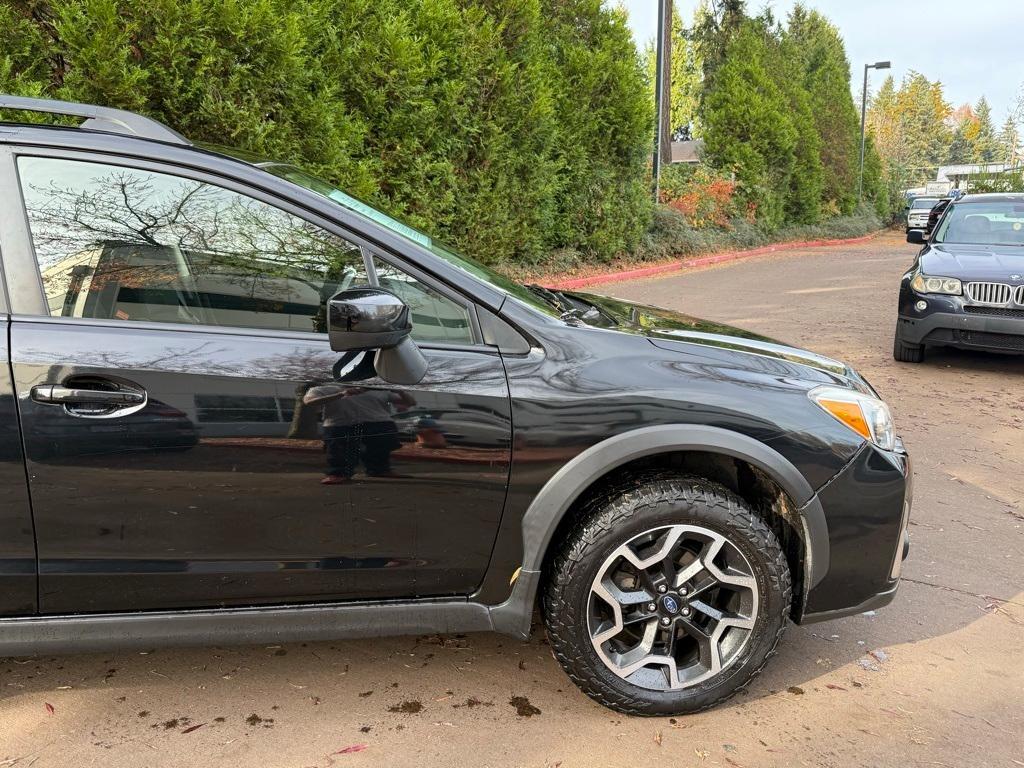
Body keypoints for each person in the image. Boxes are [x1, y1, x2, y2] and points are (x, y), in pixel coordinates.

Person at [302, 384, 414, 484]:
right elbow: (308, 401)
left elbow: (411, 403)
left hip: (378, 422)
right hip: (341, 423)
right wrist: (341, 394)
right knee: (340, 449)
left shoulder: (378, 389)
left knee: (381, 446)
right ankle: (338, 473)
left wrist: (401, 391)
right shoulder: (325, 388)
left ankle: (380, 469)